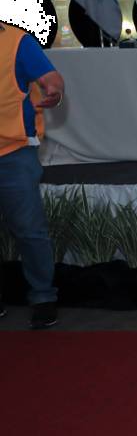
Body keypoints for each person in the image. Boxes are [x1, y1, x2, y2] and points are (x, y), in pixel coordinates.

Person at [0, 20, 64, 329]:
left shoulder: (17, 42)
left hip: (14, 153)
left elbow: (52, 78)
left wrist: (55, 92)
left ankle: (42, 297)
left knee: (29, 230)